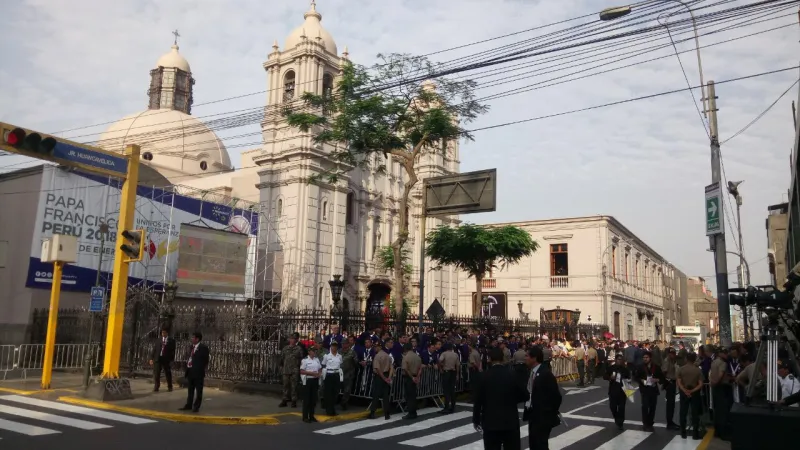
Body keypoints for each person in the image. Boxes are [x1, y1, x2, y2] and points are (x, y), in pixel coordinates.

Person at [473, 347, 528, 450]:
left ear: (489, 359)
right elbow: (525, 395)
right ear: (503, 359)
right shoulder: (512, 374)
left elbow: (478, 400)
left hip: (490, 421)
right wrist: (512, 399)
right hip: (510, 420)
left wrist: (476, 419)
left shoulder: (483, 376)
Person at [524, 346, 562, 450]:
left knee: (540, 444)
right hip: (532, 414)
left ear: (534, 358)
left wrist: (548, 413)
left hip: (543, 417)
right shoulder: (531, 372)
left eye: (527, 356)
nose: (525, 358)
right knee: (533, 443)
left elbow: (556, 397)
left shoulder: (546, 374)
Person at [634, 350, 663, 431]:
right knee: (645, 406)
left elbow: (662, 378)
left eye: (646, 357)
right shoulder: (640, 367)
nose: (645, 359)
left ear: (650, 358)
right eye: (643, 358)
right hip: (645, 389)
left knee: (653, 406)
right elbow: (636, 377)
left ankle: (650, 421)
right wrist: (642, 381)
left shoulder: (656, 367)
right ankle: (645, 423)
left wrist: (657, 380)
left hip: (653, 389)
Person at [180, 332, 209, 413]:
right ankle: (189, 404)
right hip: (190, 371)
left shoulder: (203, 348)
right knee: (190, 390)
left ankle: (196, 406)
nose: (192, 339)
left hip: (198, 372)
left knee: (199, 390)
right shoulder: (191, 347)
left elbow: (205, 360)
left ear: (197, 339)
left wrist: (199, 367)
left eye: (193, 337)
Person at [677, 352, 703, 440]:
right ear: (694, 359)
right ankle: (695, 434)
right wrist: (692, 391)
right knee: (695, 413)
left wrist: (685, 390)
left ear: (686, 359)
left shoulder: (681, 369)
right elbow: (700, 384)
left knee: (683, 412)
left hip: (684, 392)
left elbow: (679, 382)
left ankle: (683, 432)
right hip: (695, 392)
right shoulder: (698, 370)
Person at [368, 338, 393, 420]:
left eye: (376, 347)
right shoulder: (387, 355)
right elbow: (391, 368)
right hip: (386, 374)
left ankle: (372, 412)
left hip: (379, 376)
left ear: (379, 347)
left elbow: (377, 369)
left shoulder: (377, 356)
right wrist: (388, 378)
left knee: (376, 395)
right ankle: (387, 414)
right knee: (385, 395)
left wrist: (383, 378)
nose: (375, 348)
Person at [604, 354, 630, 430]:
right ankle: (616, 417)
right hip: (613, 390)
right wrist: (610, 377)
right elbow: (604, 376)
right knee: (613, 407)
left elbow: (629, 378)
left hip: (622, 391)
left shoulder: (625, 369)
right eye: (618, 359)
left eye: (621, 359)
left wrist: (627, 381)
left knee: (621, 408)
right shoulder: (611, 368)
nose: (619, 361)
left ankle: (620, 422)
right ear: (615, 360)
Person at [278, 335, 303, 408]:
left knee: (294, 386)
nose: (292, 340)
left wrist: (300, 368)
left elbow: (302, 360)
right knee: (285, 385)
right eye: (291, 339)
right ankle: (284, 400)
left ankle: (294, 401)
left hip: (295, 370)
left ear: (296, 340)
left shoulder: (299, 349)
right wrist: (281, 367)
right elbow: (282, 359)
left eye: (294, 339)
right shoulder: (285, 348)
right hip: (286, 370)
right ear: (289, 339)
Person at [300, 346, 322, 423]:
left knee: (313, 399)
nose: (314, 352)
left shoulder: (317, 359)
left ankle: (312, 416)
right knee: (307, 399)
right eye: (313, 351)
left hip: (315, 380)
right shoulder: (305, 360)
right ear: (309, 352)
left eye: (315, 351)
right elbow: (302, 371)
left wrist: (319, 373)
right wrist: (311, 373)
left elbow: (320, 368)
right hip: (308, 380)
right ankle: (305, 416)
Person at [149, 327, 175, 392]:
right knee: (156, 373)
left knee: (167, 373)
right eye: (162, 332)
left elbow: (173, 351)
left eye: (164, 332)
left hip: (166, 359)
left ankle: (170, 386)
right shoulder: (158, 340)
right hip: (158, 358)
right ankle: (156, 386)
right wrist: (151, 358)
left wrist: (171, 360)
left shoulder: (171, 340)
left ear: (167, 333)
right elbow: (154, 349)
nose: (163, 334)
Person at [401, 342, 423, 419]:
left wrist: (412, 377)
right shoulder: (417, 357)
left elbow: (405, 369)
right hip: (415, 376)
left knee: (409, 396)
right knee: (413, 395)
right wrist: (417, 376)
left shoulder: (406, 357)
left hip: (409, 377)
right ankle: (414, 412)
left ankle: (411, 412)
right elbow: (420, 368)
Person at [321, 341, 343, 416]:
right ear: (330, 346)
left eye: (335, 346)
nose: (334, 347)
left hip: (336, 374)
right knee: (328, 394)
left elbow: (340, 364)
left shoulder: (339, 356)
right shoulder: (326, 356)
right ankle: (328, 410)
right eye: (333, 346)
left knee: (335, 393)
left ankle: (333, 409)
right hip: (329, 374)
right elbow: (323, 365)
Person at [661, 347, 680, 430]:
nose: (673, 355)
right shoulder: (667, 361)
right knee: (670, 403)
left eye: (674, 353)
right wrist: (666, 383)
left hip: (672, 382)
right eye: (672, 353)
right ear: (668, 354)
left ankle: (670, 421)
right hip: (669, 382)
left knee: (671, 404)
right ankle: (669, 423)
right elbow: (664, 372)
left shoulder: (672, 361)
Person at [439, 342, 460, 414]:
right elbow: (457, 365)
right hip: (453, 372)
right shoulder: (455, 354)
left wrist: (441, 367)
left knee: (446, 390)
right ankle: (453, 407)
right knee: (452, 390)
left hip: (446, 372)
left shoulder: (444, 354)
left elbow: (440, 360)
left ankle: (446, 407)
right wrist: (457, 374)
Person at [339, 338, 358, 410]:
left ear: (348, 344)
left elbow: (356, 362)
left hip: (348, 374)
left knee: (347, 390)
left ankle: (344, 403)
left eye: (345, 343)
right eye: (342, 344)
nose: (343, 345)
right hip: (339, 373)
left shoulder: (352, 352)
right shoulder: (339, 351)